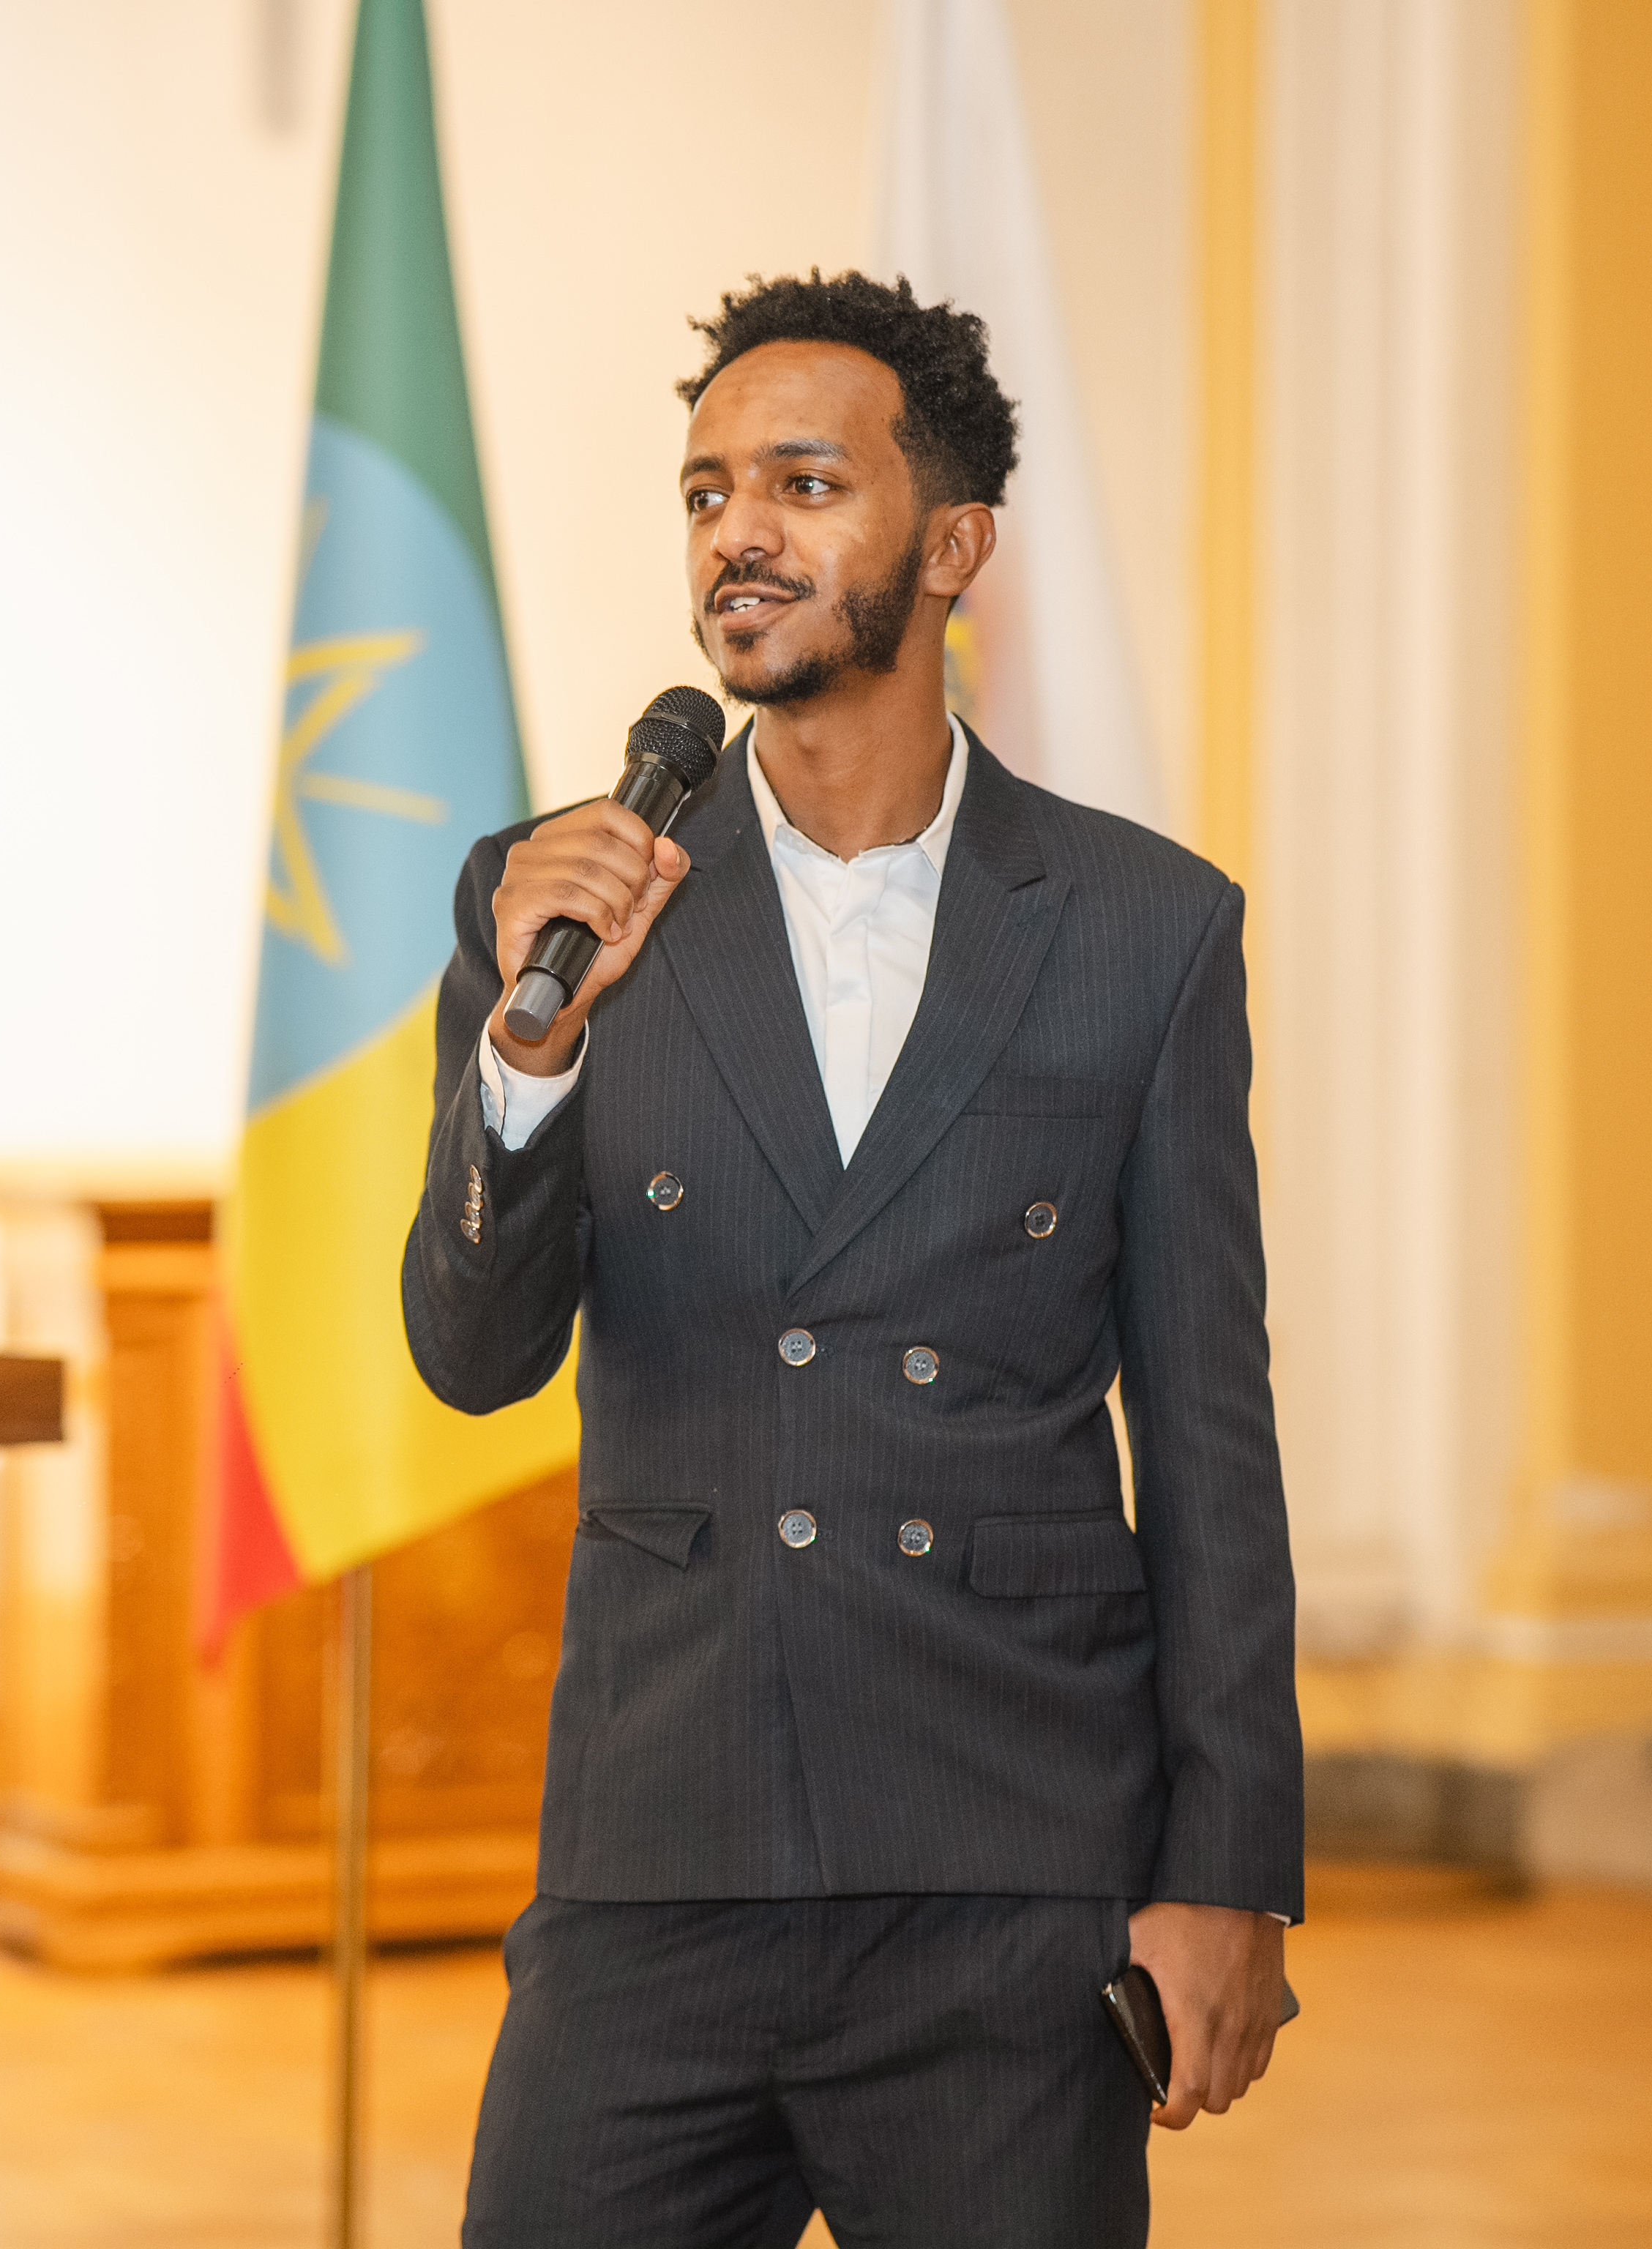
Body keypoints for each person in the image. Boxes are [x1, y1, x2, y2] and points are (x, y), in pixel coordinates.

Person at [402, 270, 1302, 2248]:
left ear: (954, 544)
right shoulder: (560, 899)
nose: (742, 532)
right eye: (710, 488)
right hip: (659, 1852)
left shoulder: (1143, 931)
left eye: (806, 483)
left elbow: (1211, 1435)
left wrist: (1231, 1867)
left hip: (1005, 1866)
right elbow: (473, 1358)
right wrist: (522, 1062)